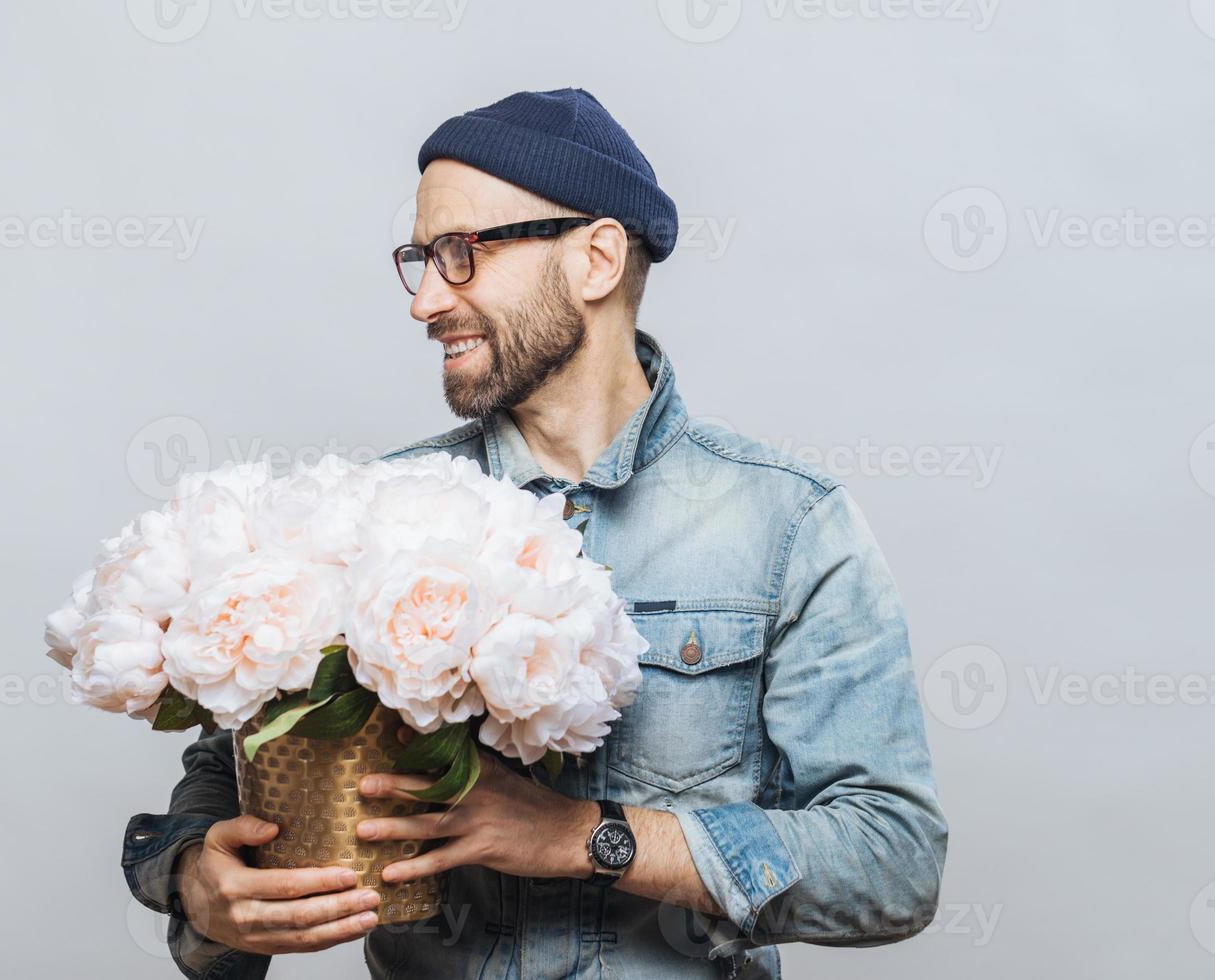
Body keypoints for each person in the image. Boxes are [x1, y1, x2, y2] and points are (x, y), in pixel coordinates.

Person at [123, 87, 947, 980]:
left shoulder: (786, 524)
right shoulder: (368, 509)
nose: (424, 301)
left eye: (461, 254)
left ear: (595, 259)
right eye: (418, 258)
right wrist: (196, 881)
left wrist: (586, 838)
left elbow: (895, 861)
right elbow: (230, 763)